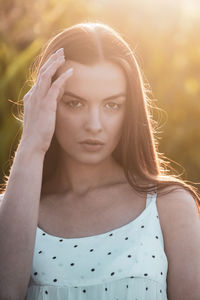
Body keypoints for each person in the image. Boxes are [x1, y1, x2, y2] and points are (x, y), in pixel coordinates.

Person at [0, 22, 200, 300]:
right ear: (47, 103)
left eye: (112, 105)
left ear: (129, 110)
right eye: (74, 103)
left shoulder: (170, 206)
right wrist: (33, 144)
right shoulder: (11, 213)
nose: (94, 125)